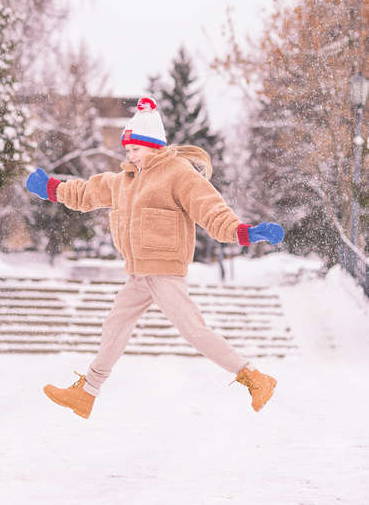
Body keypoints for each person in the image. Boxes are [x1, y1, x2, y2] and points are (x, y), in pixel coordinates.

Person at [26, 96, 284, 419]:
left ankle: (255, 378)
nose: (129, 155)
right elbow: (85, 193)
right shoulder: (125, 181)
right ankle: (87, 393)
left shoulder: (178, 173)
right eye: (127, 150)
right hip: (139, 274)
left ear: (153, 146)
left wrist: (244, 232)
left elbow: (211, 209)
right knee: (115, 324)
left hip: (164, 271)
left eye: (135, 149)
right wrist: (51, 188)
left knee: (193, 330)